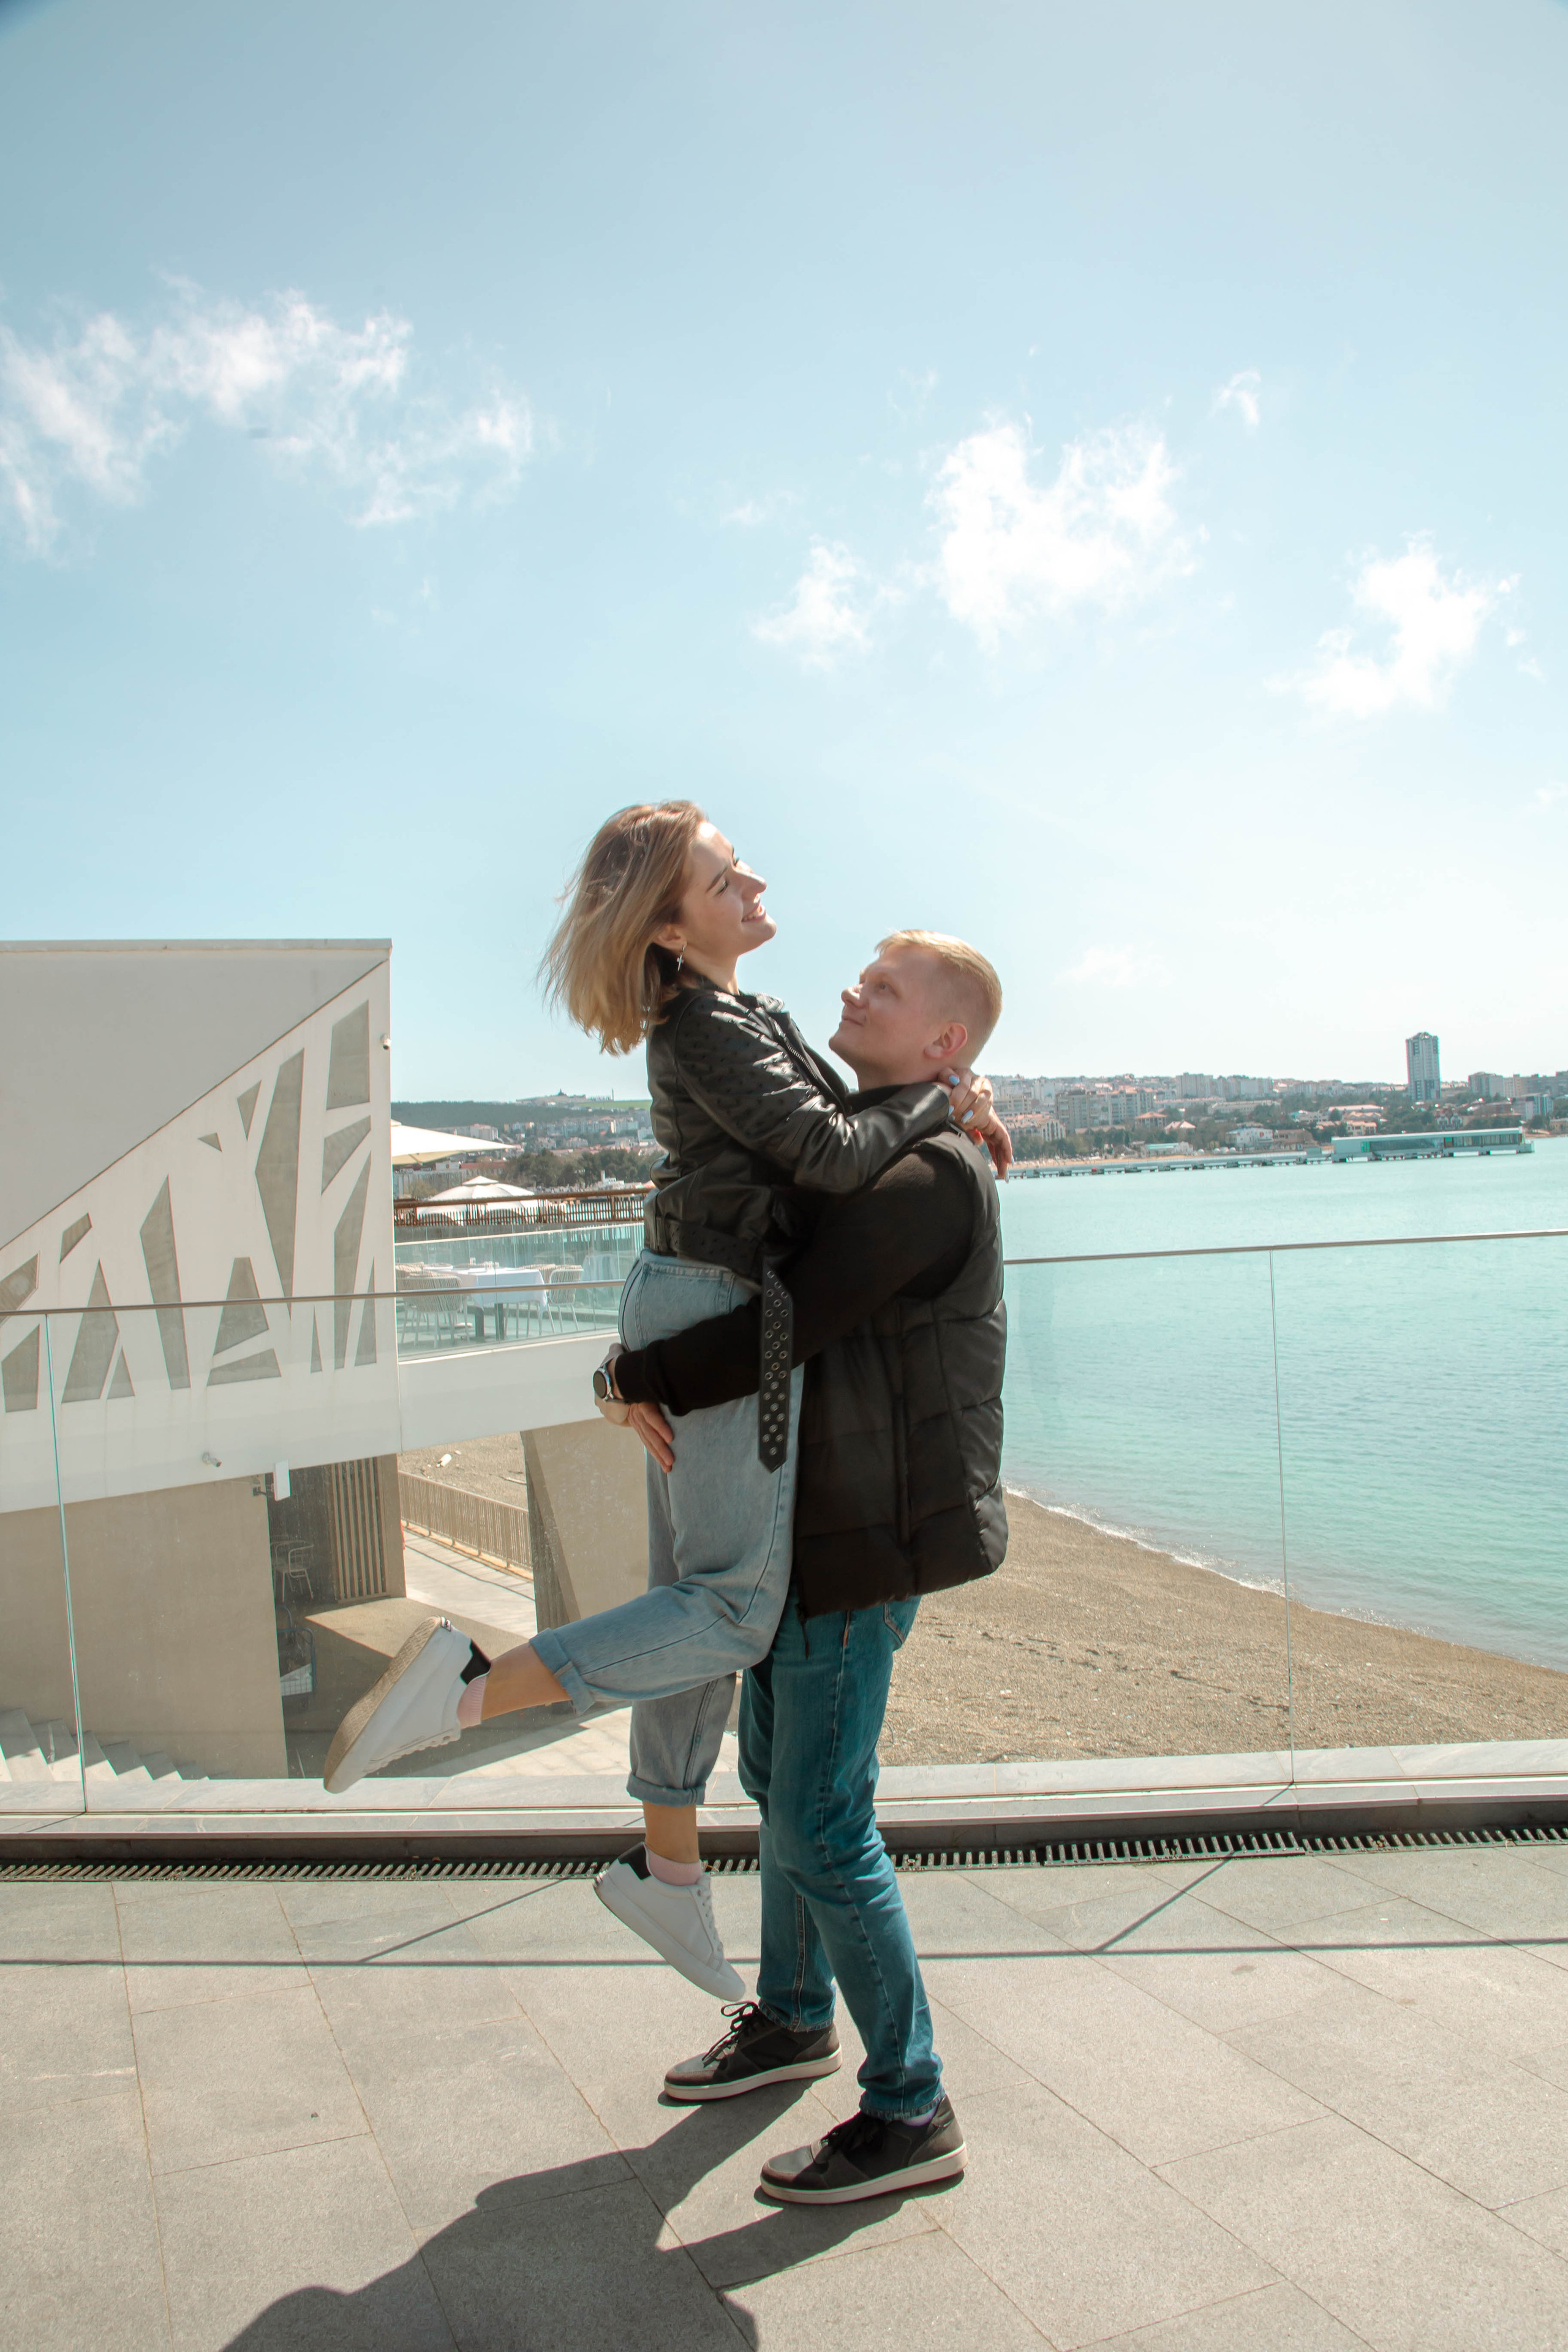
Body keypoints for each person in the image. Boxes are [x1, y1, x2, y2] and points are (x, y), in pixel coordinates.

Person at [322, 804, 1007, 2005]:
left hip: (691, 1299)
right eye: (724, 874)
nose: (751, 883)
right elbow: (836, 1157)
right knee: (732, 1613)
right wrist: (945, 1100)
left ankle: (670, 1871)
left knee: (688, 1605)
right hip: (705, 1304)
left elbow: (836, 1140)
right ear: (672, 918)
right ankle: (469, 1688)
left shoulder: (745, 1015)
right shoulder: (703, 1026)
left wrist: (939, 1104)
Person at [604, 928, 1008, 2204]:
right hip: (808, 1521)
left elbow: (792, 1323)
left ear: (942, 1043)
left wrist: (634, 1377)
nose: (851, 988)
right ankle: (790, 2016)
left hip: (856, 1534)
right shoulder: (881, 1135)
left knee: (821, 1815)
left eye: (882, 990)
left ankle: (910, 2103)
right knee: (779, 1780)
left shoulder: (923, 1174)